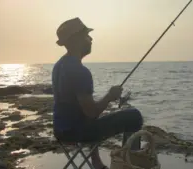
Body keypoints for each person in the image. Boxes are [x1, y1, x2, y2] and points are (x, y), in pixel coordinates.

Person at [52, 17, 144, 169]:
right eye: (86, 36)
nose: (91, 39)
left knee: (93, 117)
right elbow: (91, 113)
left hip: (61, 130)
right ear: (76, 40)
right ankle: (129, 164)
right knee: (134, 116)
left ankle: (96, 162)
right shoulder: (80, 71)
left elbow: (83, 110)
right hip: (77, 132)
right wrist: (109, 96)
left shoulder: (59, 65)